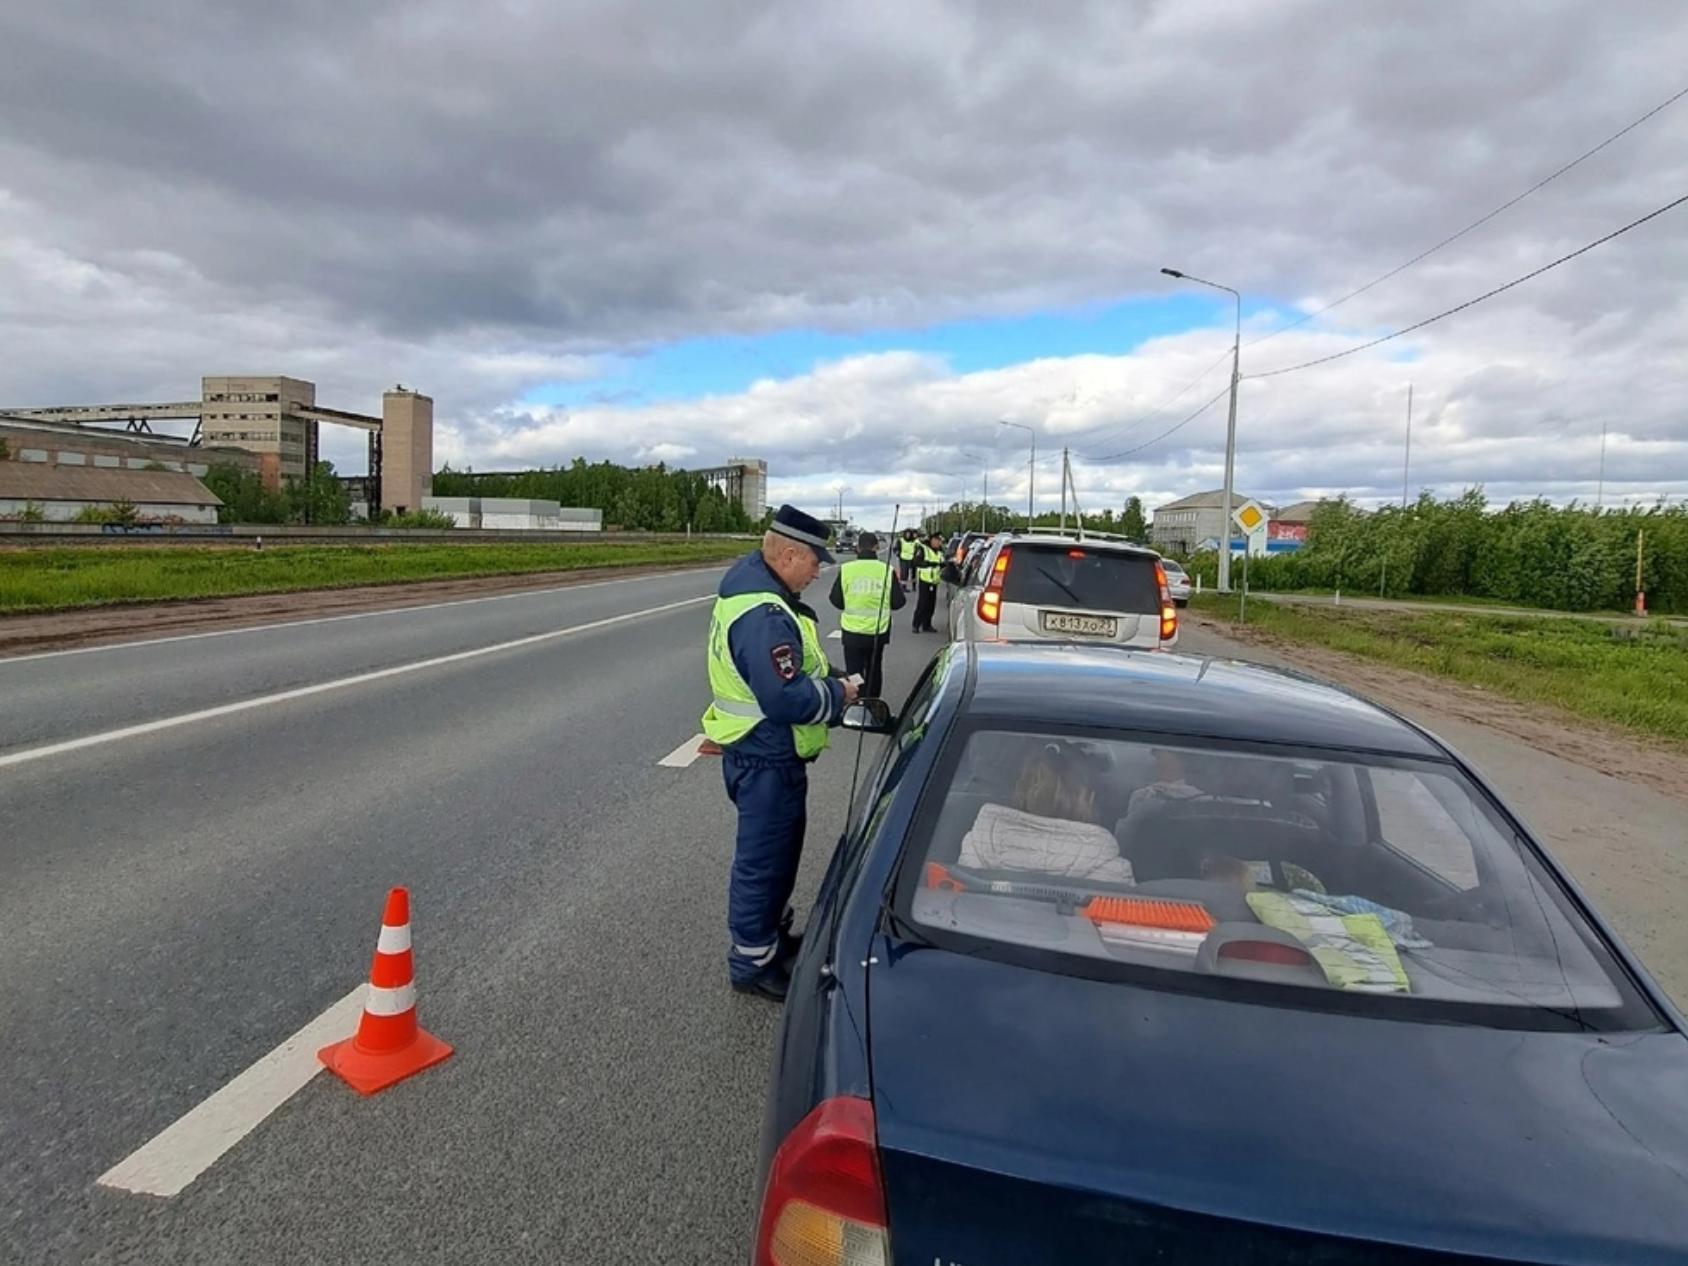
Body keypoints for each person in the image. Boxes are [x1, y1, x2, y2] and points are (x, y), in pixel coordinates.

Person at [701, 505, 860, 1001]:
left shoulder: (766, 598)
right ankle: (751, 964)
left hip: (767, 753)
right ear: (789, 554)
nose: (819, 571)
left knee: (778, 855)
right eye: (815, 561)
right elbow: (784, 697)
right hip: (765, 754)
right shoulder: (763, 614)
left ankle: (769, 939)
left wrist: (829, 678)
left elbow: (792, 672)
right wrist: (841, 696)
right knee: (763, 861)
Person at [828, 531, 904, 699]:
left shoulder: (847, 569)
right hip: (878, 631)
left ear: (858, 547)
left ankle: (856, 701)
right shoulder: (886, 570)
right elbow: (899, 602)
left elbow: (835, 600)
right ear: (876, 547)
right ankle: (872, 704)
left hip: (852, 632)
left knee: (854, 670)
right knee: (874, 669)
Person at [910, 531, 944, 633]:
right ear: (932, 540)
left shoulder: (939, 551)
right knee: (922, 603)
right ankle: (916, 624)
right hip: (925, 580)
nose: (938, 543)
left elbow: (941, 562)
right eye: (937, 540)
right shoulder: (923, 549)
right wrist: (929, 564)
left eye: (939, 541)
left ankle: (927, 625)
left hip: (934, 581)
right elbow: (915, 562)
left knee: (931, 605)